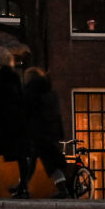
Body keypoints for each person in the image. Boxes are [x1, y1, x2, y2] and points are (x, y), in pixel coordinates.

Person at [0, 47, 33, 197]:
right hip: (17, 121)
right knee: (20, 155)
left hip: (3, 121)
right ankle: (23, 187)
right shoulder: (15, 75)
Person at [22, 66, 72, 198]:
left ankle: (23, 187)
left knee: (33, 161)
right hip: (51, 133)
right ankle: (62, 188)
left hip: (38, 133)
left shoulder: (32, 93)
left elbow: (28, 113)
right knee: (51, 162)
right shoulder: (50, 93)